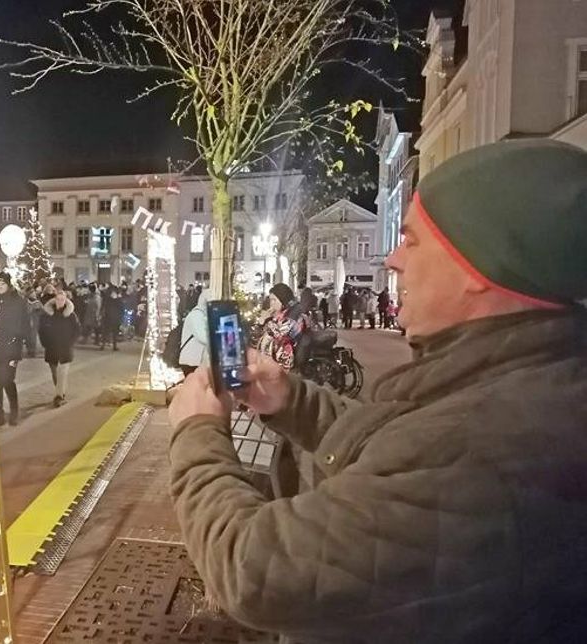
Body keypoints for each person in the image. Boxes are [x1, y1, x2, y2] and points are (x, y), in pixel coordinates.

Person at [166, 140, 587, 642]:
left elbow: (254, 569)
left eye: (411, 241)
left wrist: (197, 436)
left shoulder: (481, 448)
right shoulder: (521, 377)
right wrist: (292, 401)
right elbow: (396, 445)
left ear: (476, 269)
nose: (391, 259)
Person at [0, 272, 29, 426]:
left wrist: (20, 348)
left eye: (3, 284)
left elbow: (24, 326)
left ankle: (14, 410)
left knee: (8, 380)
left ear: (8, 285)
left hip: (10, 349)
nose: (0, 287)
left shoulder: (18, 302)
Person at [39, 289, 80, 407]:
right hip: (51, 348)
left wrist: (70, 342)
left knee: (62, 373)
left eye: (62, 300)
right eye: (58, 299)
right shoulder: (47, 315)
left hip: (65, 348)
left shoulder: (71, 315)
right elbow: (41, 330)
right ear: (54, 300)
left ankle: (59, 396)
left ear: (66, 300)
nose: (60, 302)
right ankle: (60, 393)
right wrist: (45, 343)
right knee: (55, 373)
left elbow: (77, 330)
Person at [257, 283, 311, 370]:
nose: (271, 304)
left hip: (288, 357)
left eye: (274, 300)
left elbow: (282, 335)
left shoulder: (296, 312)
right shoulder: (282, 312)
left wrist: (266, 321)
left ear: (283, 300)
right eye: (270, 300)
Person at [178, 288, 210, 376]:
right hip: (191, 360)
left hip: (195, 360)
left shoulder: (202, 315)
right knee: (195, 387)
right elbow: (203, 337)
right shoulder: (197, 315)